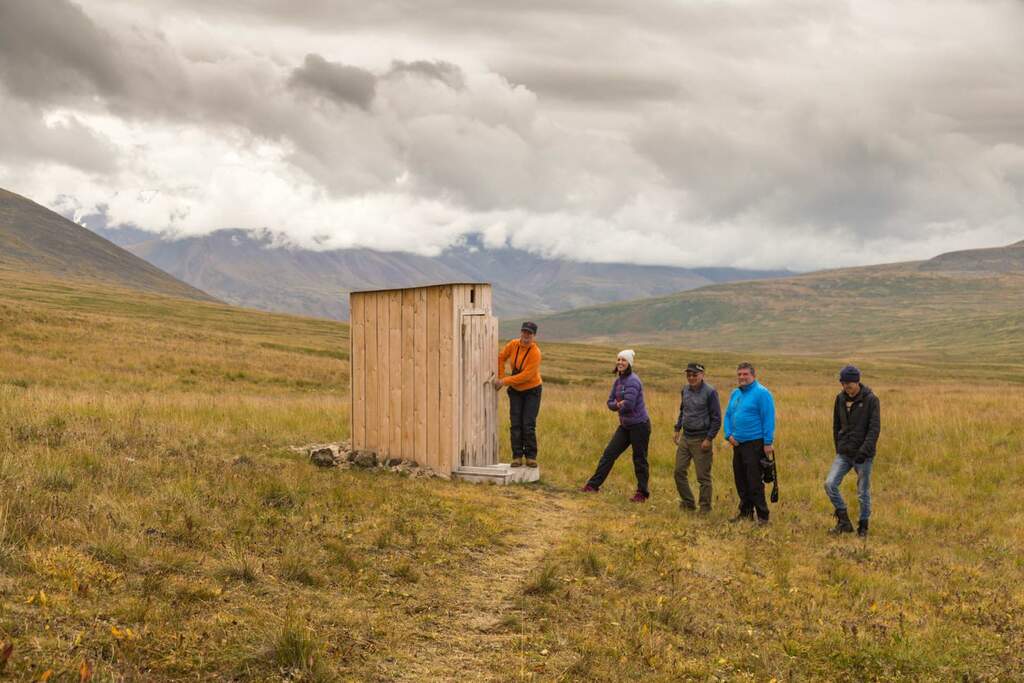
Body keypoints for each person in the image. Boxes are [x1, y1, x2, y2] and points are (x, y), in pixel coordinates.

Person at [581, 350, 651, 502]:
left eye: (623, 360)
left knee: (639, 459)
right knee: (609, 454)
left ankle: (642, 493)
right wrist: (617, 404)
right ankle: (593, 486)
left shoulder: (633, 381)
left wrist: (617, 405)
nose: (620, 362)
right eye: (618, 360)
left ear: (629, 363)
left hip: (640, 426)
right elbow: (610, 402)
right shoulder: (618, 381)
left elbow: (629, 405)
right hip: (625, 426)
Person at [825, 364, 881, 537]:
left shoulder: (871, 400)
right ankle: (844, 521)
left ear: (857, 382)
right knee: (829, 484)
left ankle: (863, 527)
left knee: (863, 492)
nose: (846, 387)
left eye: (849, 383)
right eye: (843, 383)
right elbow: (836, 425)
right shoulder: (840, 399)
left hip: (863, 456)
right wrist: (839, 445)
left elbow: (874, 429)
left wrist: (864, 452)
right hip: (844, 453)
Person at [723, 362, 775, 524]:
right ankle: (745, 513)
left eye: (745, 374)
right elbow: (728, 415)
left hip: (755, 444)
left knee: (754, 481)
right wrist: (728, 434)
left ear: (753, 375)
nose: (742, 377)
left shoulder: (762, 393)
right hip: (737, 444)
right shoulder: (735, 393)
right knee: (740, 479)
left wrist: (768, 442)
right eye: (739, 374)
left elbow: (768, 418)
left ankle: (763, 516)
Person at [673, 362, 722, 513]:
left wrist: (709, 439)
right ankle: (688, 503)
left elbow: (716, 418)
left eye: (695, 374)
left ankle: (705, 508)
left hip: (701, 439)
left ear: (702, 375)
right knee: (679, 471)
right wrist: (677, 429)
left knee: (703, 477)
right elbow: (683, 410)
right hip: (686, 437)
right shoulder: (685, 390)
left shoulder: (710, 392)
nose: (691, 377)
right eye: (689, 375)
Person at [494, 322, 543, 467]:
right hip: (515, 390)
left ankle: (531, 456)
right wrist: (501, 376)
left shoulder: (535, 352)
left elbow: (527, 376)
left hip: (532, 390)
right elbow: (501, 357)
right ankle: (516, 456)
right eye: (524, 332)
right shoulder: (513, 344)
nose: (526, 336)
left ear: (534, 336)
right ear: (520, 332)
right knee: (515, 423)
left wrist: (505, 381)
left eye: (530, 334)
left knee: (528, 424)